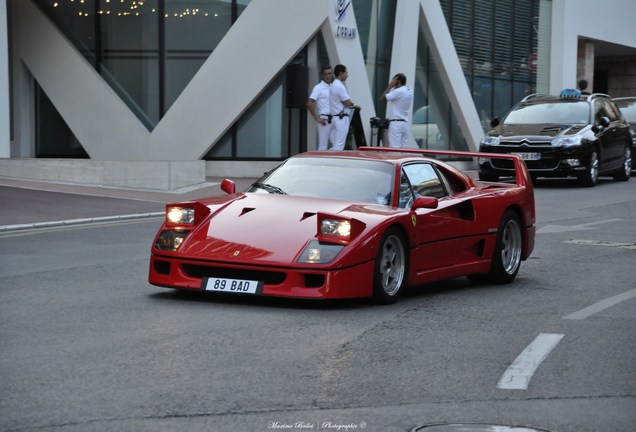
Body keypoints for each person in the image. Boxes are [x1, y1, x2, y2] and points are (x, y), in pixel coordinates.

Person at [329, 64, 360, 150]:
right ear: (340, 73)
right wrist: (352, 104)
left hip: (334, 118)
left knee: (335, 145)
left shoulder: (333, 85)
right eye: (346, 73)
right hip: (341, 119)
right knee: (339, 146)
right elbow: (347, 103)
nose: (347, 75)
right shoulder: (340, 86)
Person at [381, 73, 413, 148]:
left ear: (397, 81)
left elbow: (383, 99)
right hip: (404, 124)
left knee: (394, 150)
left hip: (396, 124)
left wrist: (390, 86)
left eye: (393, 80)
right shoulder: (409, 90)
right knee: (404, 150)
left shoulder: (398, 91)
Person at [306, 66, 334, 151]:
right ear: (322, 75)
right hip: (324, 119)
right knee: (323, 146)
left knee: (337, 145)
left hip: (335, 118)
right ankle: (321, 163)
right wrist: (317, 118)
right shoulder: (318, 87)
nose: (328, 76)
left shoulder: (334, 86)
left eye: (329, 73)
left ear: (332, 74)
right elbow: (309, 103)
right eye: (325, 74)